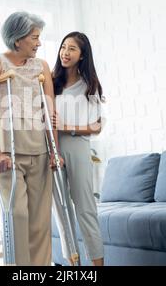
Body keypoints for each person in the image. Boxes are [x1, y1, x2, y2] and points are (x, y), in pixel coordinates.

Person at [0, 11, 63, 266]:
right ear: (18, 40)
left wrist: (55, 151)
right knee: (17, 216)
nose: (39, 43)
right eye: (35, 37)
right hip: (7, 152)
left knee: (39, 221)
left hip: (40, 151)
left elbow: (50, 112)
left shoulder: (42, 66)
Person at [52, 31, 105, 266]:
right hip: (52, 150)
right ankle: (74, 267)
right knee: (62, 213)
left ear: (82, 55)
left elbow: (97, 126)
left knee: (85, 209)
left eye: (72, 48)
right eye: (64, 47)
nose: (66, 52)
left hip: (78, 148)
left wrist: (67, 126)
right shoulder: (51, 82)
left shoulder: (89, 85)